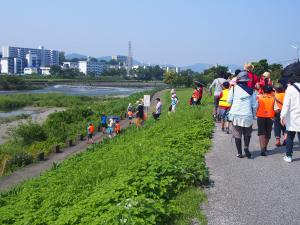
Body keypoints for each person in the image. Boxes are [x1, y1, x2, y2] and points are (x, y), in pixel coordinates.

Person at [228, 71, 258, 158]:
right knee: (247, 133)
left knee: (237, 134)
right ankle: (246, 148)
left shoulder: (233, 89)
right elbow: (254, 105)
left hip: (235, 115)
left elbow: (229, 101)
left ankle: (239, 153)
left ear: (238, 80)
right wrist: (254, 114)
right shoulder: (251, 91)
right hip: (247, 115)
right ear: (247, 81)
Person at [281, 66, 300, 163]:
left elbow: (286, 105)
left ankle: (289, 156)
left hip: (292, 117)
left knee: (290, 137)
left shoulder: (290, 88)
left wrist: (282, 116)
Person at [256, 85, 275, 156]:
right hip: (270, 117)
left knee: (261, 133)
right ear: (271, 91)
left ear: (263, 90)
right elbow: (276, 109)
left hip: (260, 116)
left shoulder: (259, 97)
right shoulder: (273, 98)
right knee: (268, 133)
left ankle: (262, 149)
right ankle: (265, 146)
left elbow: (256, 106)